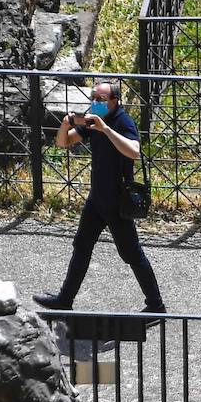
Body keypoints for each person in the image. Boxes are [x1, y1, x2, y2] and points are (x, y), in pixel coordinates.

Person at [33, 81, 165, 314]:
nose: (96, 102)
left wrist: (105, 129)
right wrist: (66, 123)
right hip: (97, 199)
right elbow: (64, 142)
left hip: (117, 201)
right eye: (94, 97)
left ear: (115, 101)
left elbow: (134, 150)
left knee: (131, 253)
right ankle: (65, 299)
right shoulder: (93, 119)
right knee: (81, 247)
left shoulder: (123, 121)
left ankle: (156, 305)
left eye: (101, 99)